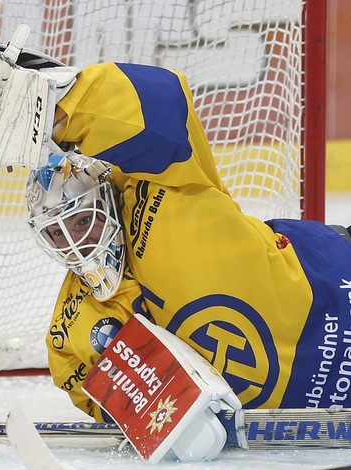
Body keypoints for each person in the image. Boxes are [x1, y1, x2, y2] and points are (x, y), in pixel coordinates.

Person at [23, 61, 351, 424]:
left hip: (334, 282)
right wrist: (147, 417)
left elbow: (159, 104)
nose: (76, 243)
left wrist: (60, 104)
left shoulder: (163, 201)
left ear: (109, 202)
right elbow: (89, 390)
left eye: (85, 220)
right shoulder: (73, 326)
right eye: (58, 232)